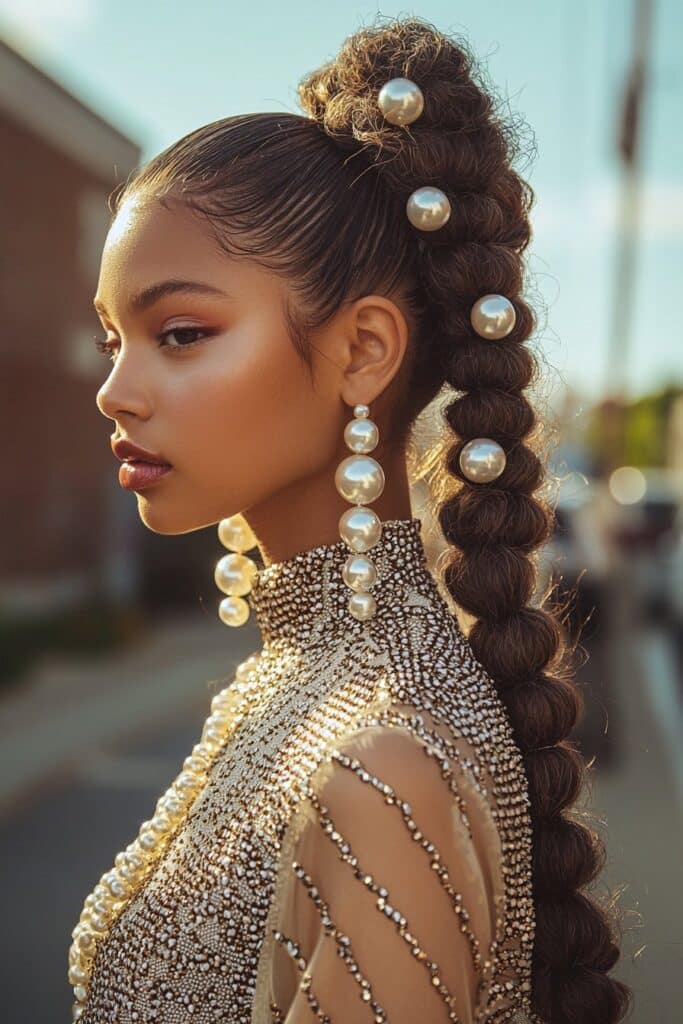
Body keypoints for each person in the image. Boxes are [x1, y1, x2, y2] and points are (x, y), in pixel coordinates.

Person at [69, 16, 632, 1024]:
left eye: (180, 332)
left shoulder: (384, 761)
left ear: (364, 351)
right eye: (112, 338)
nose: (115, 388)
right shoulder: (305, 677)